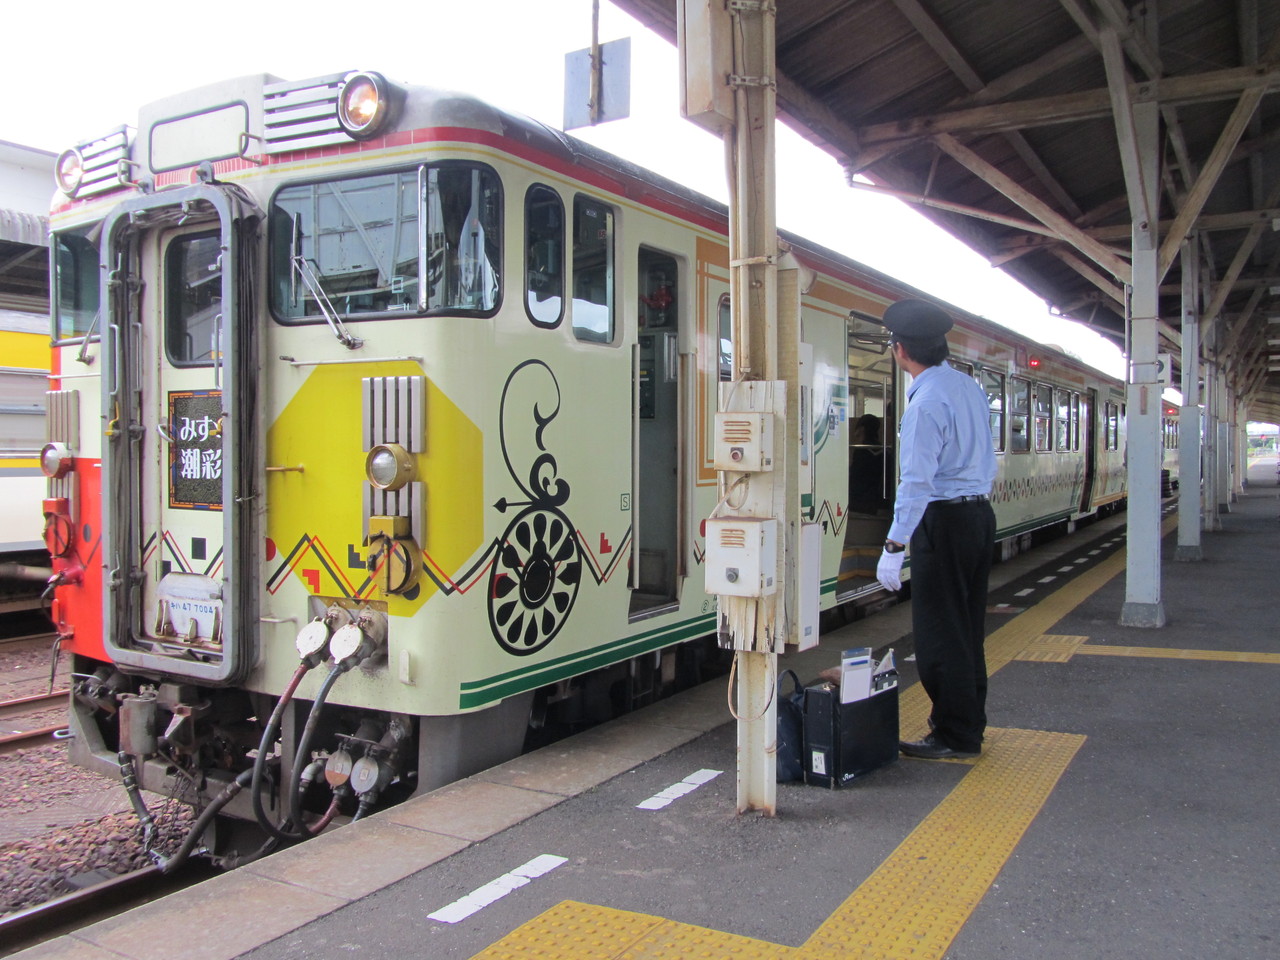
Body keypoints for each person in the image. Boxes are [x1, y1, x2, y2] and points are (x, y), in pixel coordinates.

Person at [875, 299, 998, 760]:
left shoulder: (924, 403)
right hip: (978, 517)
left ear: (900, 350)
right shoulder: (968, 387)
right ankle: (968, 724)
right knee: (967, 627)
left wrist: (894, 544)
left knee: (939, 633)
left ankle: (954, 734)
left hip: (943, 520)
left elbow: (917, 481)